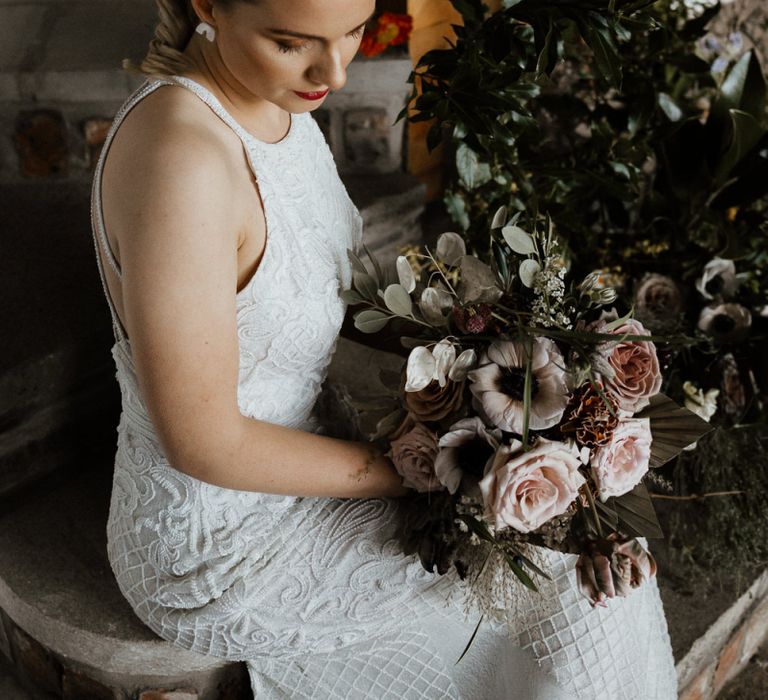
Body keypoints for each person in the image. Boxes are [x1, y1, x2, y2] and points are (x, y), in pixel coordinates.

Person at [91, 0, 679, 697]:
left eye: (353, 31)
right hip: (220, 543)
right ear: (208, 5)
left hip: (304, 452)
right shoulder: (181, 164)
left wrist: (495, 374)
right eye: (292, 42)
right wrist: (427, 470)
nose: (334, 72)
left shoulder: (274, 98)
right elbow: (203, 442)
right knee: (575, 589)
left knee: (586, 560)